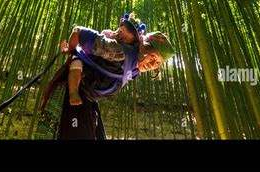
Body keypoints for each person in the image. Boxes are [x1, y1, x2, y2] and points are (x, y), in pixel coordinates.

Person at [34, 15, 175, 140]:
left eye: (157, 64)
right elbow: (79, 32)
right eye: (153, 57)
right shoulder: (120, 53)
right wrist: (70, 50)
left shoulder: (135, 69)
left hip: (88, 100)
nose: (151, 64)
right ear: (144, 47)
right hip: (72, 93)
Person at [62, 13, 142, 106]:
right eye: (120, 32)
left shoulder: (128, 58)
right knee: (76, 61)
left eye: (125, 39)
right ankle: (73, 91)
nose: (119, 37)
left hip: (99, 80)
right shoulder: (108, 35)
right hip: (89, 62)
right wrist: (70, 50)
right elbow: (79, 32)